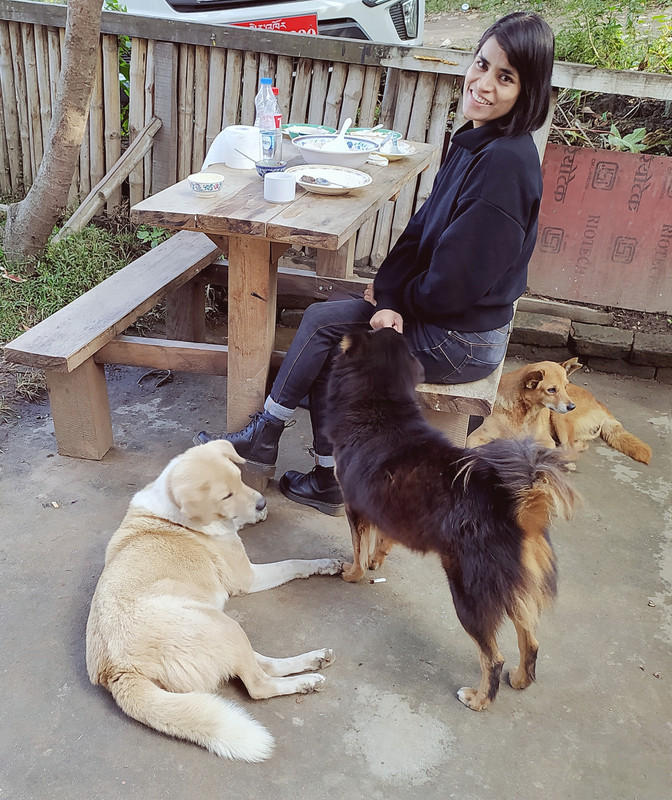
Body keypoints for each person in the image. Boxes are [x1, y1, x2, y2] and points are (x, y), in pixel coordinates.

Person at [194, 11, 556, 517]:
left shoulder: (504, 167)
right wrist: (387, 293)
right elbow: (419, 231)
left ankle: (284, 447)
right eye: (482, 64)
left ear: (529, 90)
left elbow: (455, 284)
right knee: (326, 321)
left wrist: (399, 307)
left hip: (461, 340)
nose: (484, 84)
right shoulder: (477, 141)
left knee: (332, 335)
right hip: (447, 315)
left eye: (506, 77)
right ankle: (302, 459)